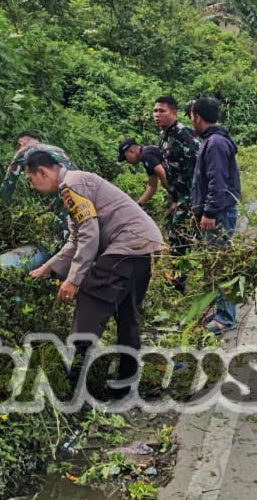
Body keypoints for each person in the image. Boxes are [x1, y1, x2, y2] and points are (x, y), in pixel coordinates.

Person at [25, 151, 165, 397]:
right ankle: (126, 382)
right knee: (126, 312)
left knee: (91, 296)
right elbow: (76, 239)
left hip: (129, 246)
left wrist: (73, 280)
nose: (31, 186)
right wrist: (48, 267)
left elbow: (90, 235)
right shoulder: (75, 186)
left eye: (30, 179)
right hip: (146, 246)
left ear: (43, 172)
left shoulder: (71, 186)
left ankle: (72, 381)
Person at [189, 97, 241, 333]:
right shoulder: (212, 141)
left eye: (191, 117)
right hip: (214, 212)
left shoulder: (216, 143)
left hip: (219, 213)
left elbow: (217, 182)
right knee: (217, 264)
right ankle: (222, 309)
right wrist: (197, 211)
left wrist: (209, 211)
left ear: (197, 117)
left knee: (221, 266)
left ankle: (226, 317)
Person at [0, 131, 77, 268]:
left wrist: (0, 207)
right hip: (75, 191)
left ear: (21, 143)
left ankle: (62, 271)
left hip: (65, 196)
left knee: (63, 237)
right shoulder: (58, 150)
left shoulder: (25, 151)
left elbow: (9, 183)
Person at [154, 96, 200, 259]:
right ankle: (177, 277)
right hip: (176, 196)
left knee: (180, 240)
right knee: (170, 234)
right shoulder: (164, 136)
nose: (157, 115)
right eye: (155, 111)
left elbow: (200, 166)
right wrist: (173, 198)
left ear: (174, 112)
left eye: (161, 111)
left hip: (189, 198)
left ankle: (180, 279)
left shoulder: (184, 134)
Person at [118, 137, 168, 206]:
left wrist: (168, 188)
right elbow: (153, 186)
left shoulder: (145, 155)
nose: (127, 161)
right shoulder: (146, 158)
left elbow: (161, 171)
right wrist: (138, 205)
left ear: (131, 151)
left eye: (125, 157)